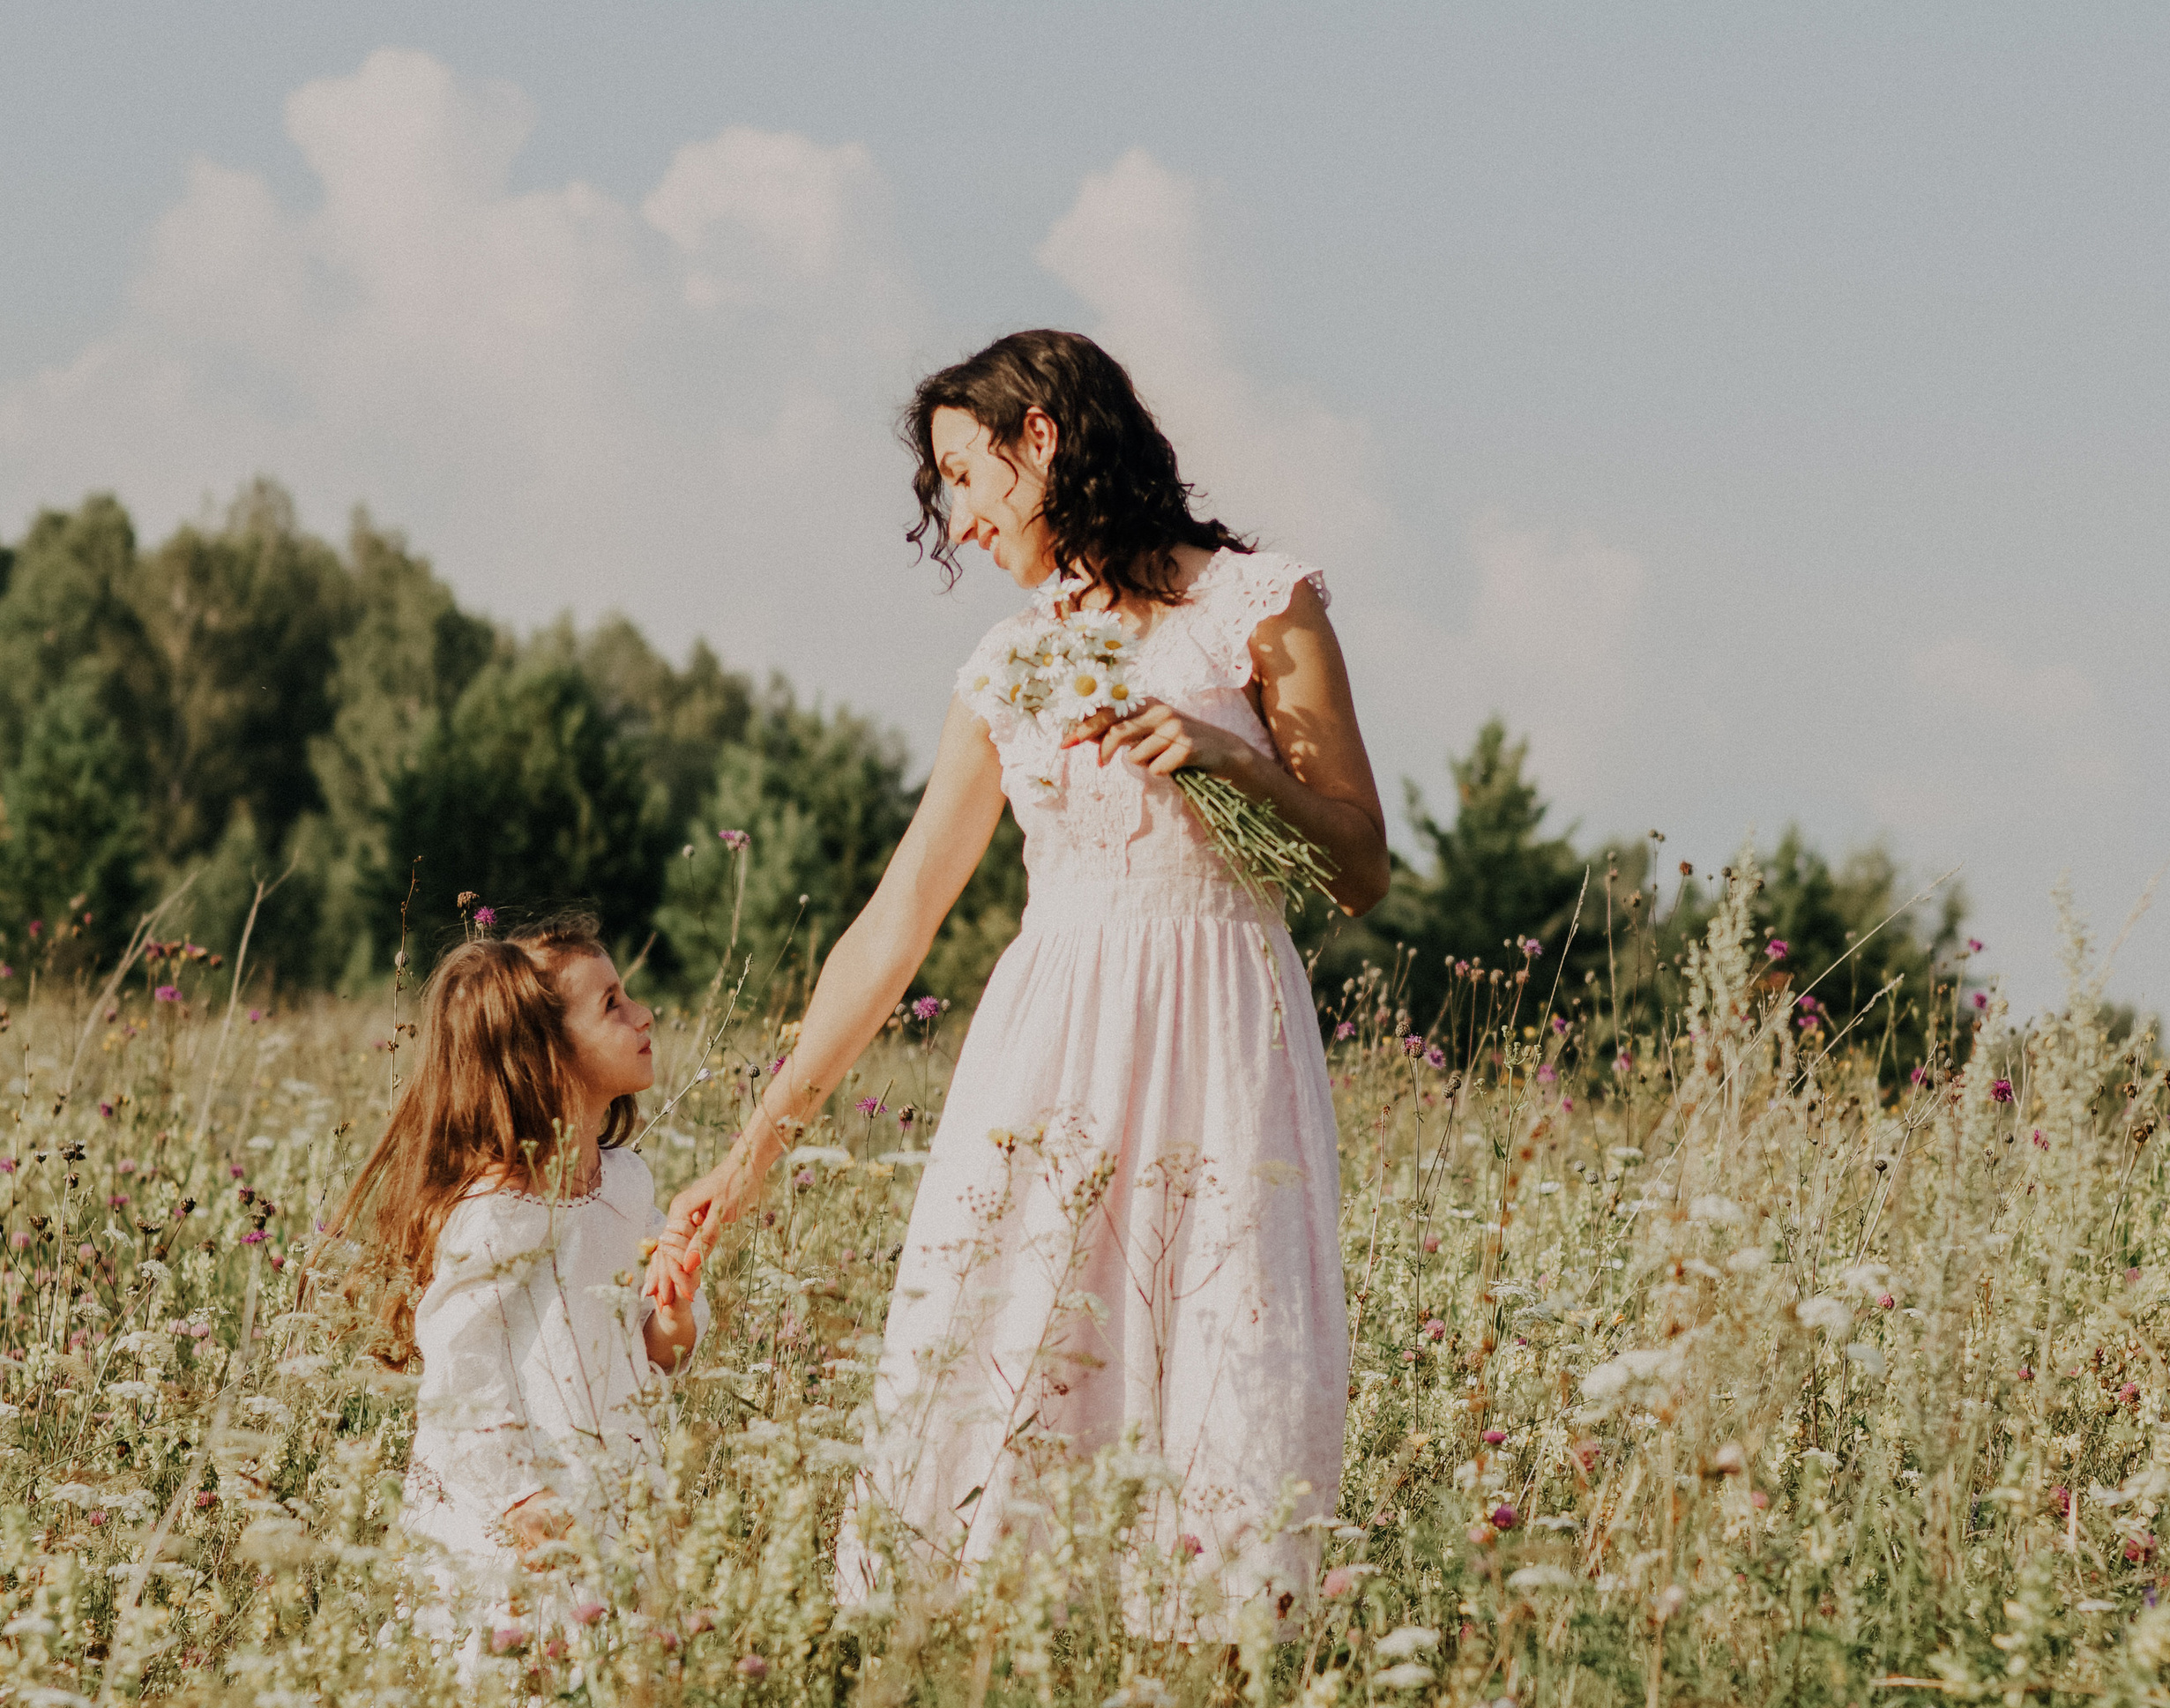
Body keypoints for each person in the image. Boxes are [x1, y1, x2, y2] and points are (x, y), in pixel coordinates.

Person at [660, 328, 1387, 1634]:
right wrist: (752, 1150)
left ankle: (1211, 1705)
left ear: (1039, 439)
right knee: (1002, 1355)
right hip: (1049, 1047)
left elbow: (1361, 867)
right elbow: (897, 921)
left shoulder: (1260, 606)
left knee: (1223, 1368)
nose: (960, 516)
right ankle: (982, 1681)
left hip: (1222, 1040)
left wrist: (1233, 770)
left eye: (966, 473)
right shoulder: (1011, 665)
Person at [327, 914, 705, 1598]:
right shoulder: (497, 1211)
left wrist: (673, 1312)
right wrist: (521, 1502)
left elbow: (659, 1352)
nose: (643, 1014)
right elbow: (461, 1373)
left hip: (611, 1487)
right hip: (508, 1519)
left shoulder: (626, 1185)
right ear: (547, 1053)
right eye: (612, 1004)